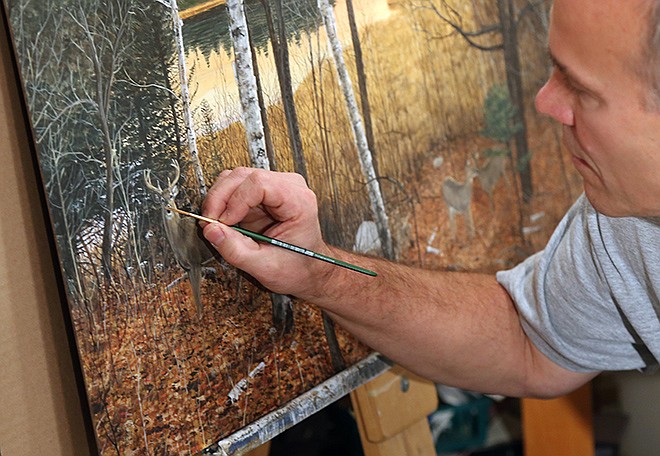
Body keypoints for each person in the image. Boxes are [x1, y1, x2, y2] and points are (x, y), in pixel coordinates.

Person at [201, 0, 660, 398]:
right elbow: (525, 342)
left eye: (580, 87)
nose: (545, 101)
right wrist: (317, 269)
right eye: (554, 68)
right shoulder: (626, 224)